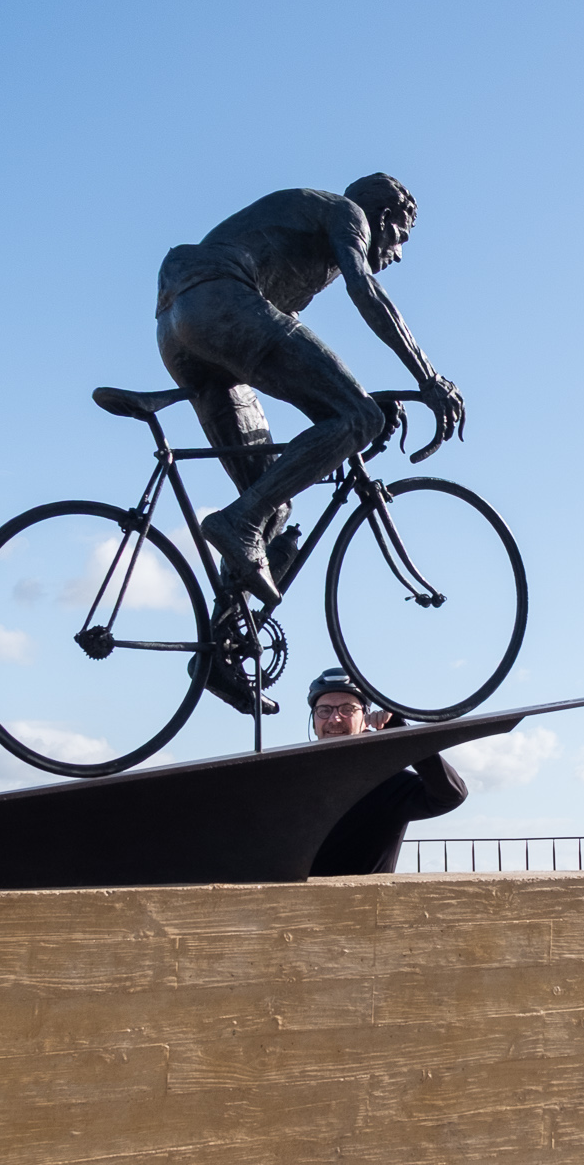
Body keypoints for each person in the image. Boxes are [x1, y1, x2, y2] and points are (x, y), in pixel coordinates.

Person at [156, 174, 463, 715]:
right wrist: (426, 377)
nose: (398, 251)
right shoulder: (349, 213)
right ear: (385, 218)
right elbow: (365, 291)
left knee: (275, 505)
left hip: (181, 326)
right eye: (403, 236)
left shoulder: (300, 259)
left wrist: (355, 406)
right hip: (217, 298)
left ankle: (216, 655)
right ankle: (239, 522)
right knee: (352, 420)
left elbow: (298, 366)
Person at [303, 667, 467, 875]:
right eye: (324, 710)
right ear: (314, 719)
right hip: (288, 904)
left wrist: (405, 737)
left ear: (365, 717)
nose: (335, 719)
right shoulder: (293, 782)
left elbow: (451, 795)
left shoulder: (388, 782)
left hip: (370, 903)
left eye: (347, 709)